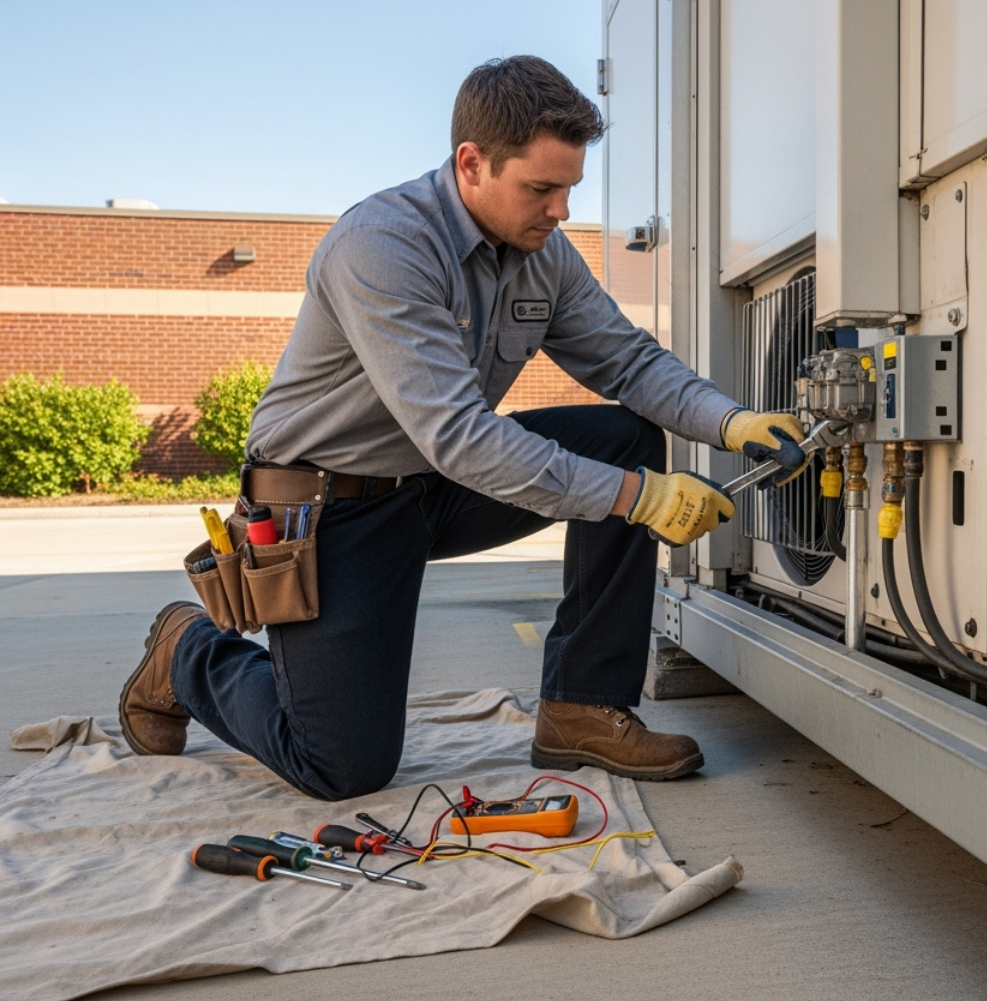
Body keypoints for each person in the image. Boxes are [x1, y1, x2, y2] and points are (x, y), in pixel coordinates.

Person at [117, 56, 805, 801]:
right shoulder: (382, 247)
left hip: (433, 486)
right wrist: (637, 499)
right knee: (341, 765)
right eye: (541, 189)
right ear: (471, 163)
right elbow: (461, 436)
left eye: (569, 188)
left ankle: (581, 706)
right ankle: (185, 649)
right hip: (331, 509)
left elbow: (627, 362)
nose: (561, 210)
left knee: (625, 438)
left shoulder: (543, 255)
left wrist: (731, 422)